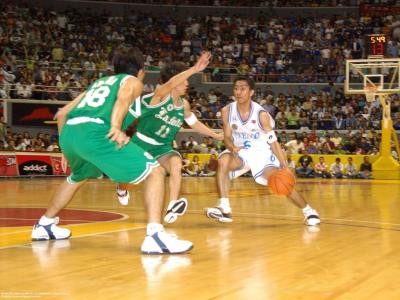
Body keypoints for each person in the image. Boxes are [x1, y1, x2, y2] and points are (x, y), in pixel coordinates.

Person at [31, 47, 193, 254]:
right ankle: (155, 236)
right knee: (156, 172)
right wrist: (116, 127)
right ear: (141, 71)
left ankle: (44, 225)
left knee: (77, 177)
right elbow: (124, 99)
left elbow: (62, 114)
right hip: (97, 133)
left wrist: (66, 148)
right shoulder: (132, 82)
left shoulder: (97, 84)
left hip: (72, 134)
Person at [116, 52, 223, 223]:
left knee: (176, 163)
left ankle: (173, 205)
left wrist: (215, 134)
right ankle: (121, 188)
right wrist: (195, 68)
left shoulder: (184, 105)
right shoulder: (159, 95)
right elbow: (171, 82)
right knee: (130, 181)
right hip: (141, 144)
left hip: (163, 147)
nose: (187, 83)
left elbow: (194, 123)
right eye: (184, 79)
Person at [205, 76, 320, 226]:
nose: (238, 92)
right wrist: (231, 148)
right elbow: (227, 137)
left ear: (251, 92)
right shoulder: (227, 111)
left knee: (280, 182)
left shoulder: (261, 115)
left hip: (261, 152)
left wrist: (284, 165)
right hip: (240, 151)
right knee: (223, 161)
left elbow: (273, 142)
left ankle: (308, 211)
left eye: (242, 88)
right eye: (236, 88)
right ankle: (224, 208)